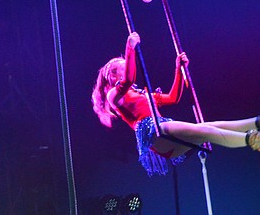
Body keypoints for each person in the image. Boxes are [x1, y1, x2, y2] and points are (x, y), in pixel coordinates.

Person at [92, 32, 260, 175]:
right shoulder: (113, 96)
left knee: (210, 127)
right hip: (154, 133)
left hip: (167, 135)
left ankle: (255, 123)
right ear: (112, 76)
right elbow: (129, 78)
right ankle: (253, 140)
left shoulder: (142, 94)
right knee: (207, 130)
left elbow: (173, 98)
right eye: (122, 68)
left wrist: (178, 68)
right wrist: (130, 48)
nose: (127, 68)